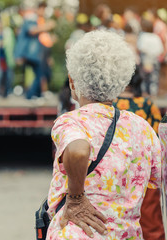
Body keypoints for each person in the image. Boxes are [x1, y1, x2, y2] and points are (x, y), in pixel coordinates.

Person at [47, 30, 161, 239]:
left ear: (73, 82)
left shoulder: (72, 121)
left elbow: (79, 150)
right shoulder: (141, 128)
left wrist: (76, 198)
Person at [113, 67, 165, 240]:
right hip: (144, 171)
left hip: (113, 171)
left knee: (116, 221)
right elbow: (158, 140)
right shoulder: (147, 104)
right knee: (151, 223)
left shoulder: (108, 106)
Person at [15, 3, 55, 99]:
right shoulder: (31, 18)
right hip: (31, 53)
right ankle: (31, 95)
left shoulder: (40, 20)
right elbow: (32, 30)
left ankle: (34, 95)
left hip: (39, 52)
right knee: (39, 74)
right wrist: (47, 26)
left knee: (42, 74)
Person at [137, 19, 164, 97]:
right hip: (155, 59)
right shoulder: (156, 37)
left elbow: (140, 48)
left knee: (144, 78)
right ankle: (153, 94)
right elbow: (160, 50)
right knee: (154, 78)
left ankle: (144, 94)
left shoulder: (143, 36)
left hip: (145, 59)